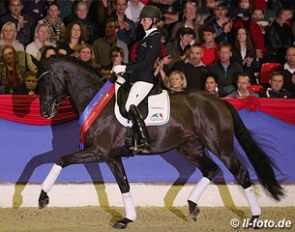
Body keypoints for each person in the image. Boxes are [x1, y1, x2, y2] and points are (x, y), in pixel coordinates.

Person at [112, 5, 162, 152]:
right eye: (142, 20)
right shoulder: (147, 37)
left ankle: (144, 140)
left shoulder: (155, 37)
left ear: (154, 20)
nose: (142, 23)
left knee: (130, 105)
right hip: (137, 77)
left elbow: (147, 63)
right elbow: (138, 61)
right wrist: (124, 70)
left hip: (145, 79)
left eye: (145, 20)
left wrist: (125, 68)